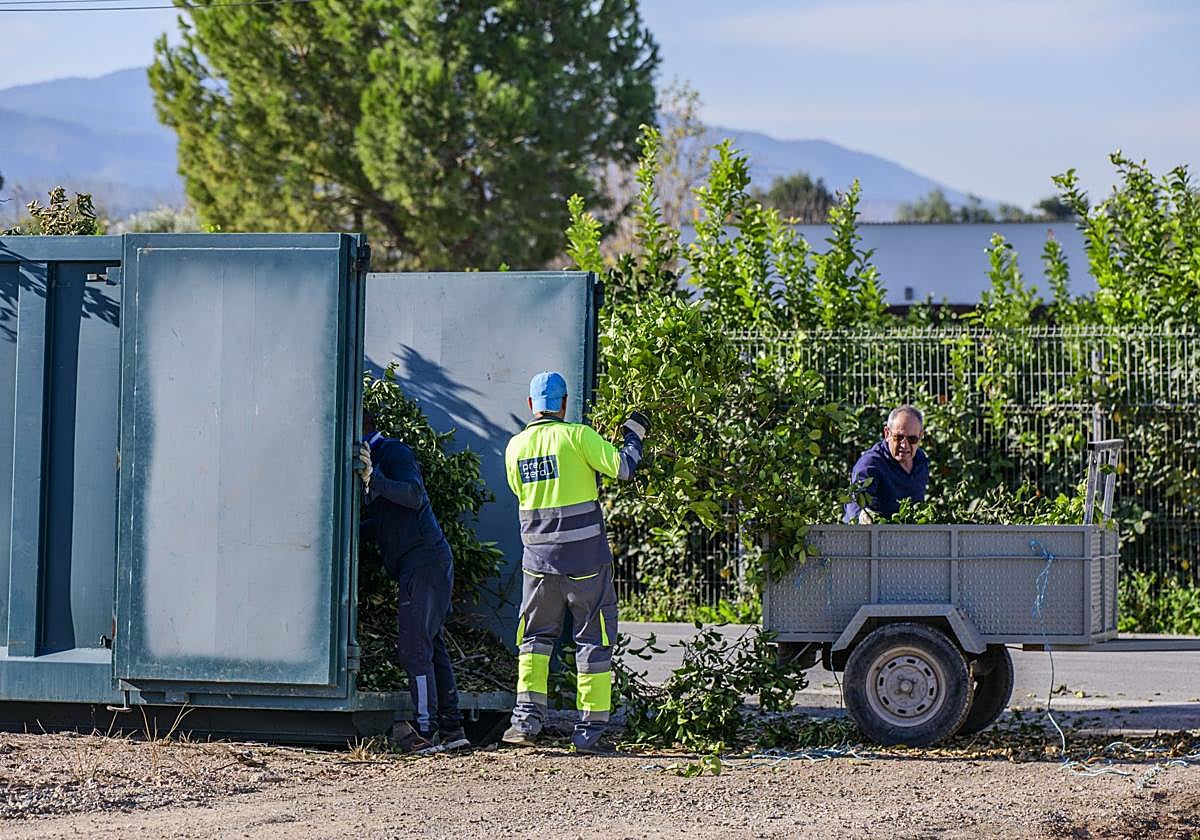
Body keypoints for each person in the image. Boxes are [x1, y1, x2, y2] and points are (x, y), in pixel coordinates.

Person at [500, 371, 648, 754]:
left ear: (531, 405)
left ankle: (525, 722)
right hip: (586, 564)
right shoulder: (579, 436)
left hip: (538, 565)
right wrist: (635, 434)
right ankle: (589, 734)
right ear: (564, 404)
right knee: (593, 641)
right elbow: (624, 468)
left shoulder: (515, 447)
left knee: (534, 640)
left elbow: (521, 493)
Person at [356, 408, 470, 754]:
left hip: (423, 563)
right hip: (424, 563)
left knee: (414, 648)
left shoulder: (392, 452)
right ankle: (452, 730)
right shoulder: (377, 460)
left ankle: (424, 731)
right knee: (430, 644)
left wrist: (374, 480)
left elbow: (413, 495)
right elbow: (385, 522)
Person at [844, 404, 930, 523]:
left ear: (920, 436)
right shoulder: (871, 464)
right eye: (898, 437)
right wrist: (863, 517)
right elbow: (855, 501)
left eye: (912, 439)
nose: (904, 445)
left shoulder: (920, 460)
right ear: (887, 433)